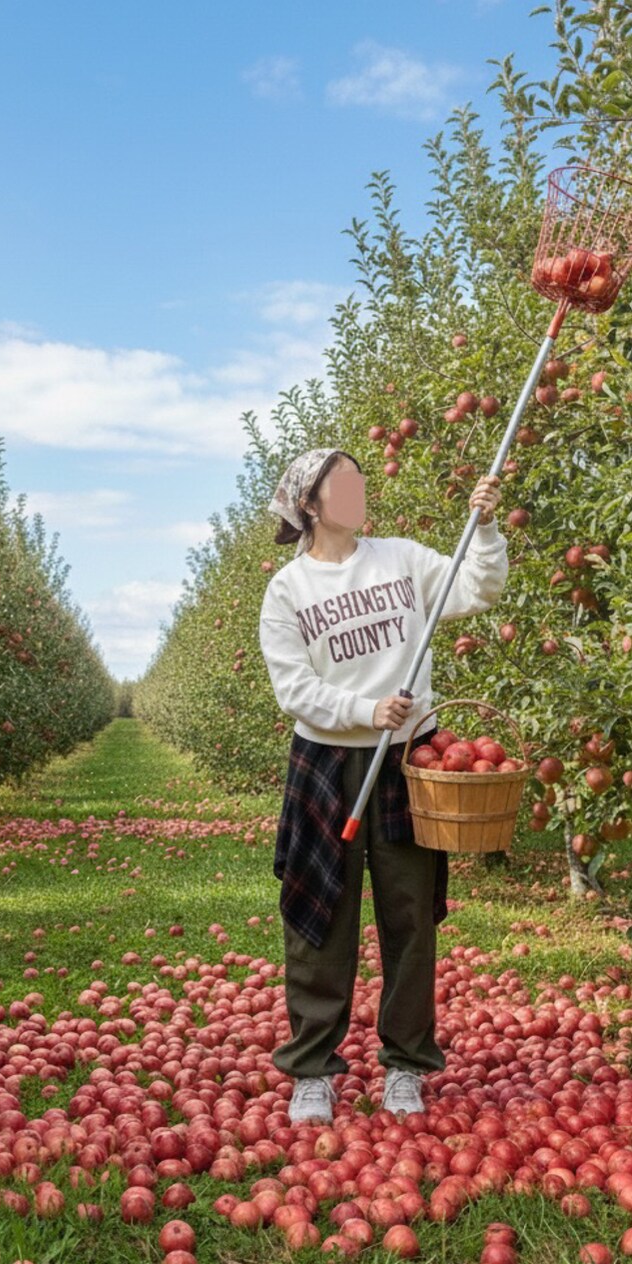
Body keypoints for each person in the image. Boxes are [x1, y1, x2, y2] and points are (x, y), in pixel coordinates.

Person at [258, 448, 507, 1122]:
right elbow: (294, 687)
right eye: (344, 484)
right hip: (328, 763)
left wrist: (482, 528)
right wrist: (364, 710)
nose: (359, 491)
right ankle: (313, 1066)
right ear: (310, 503)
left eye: (361, 480)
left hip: (405, 764)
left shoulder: (401, 557)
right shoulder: (289, 589)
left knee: (410, 915)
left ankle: (405, 1063)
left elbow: (477, 590)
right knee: (319, 916)